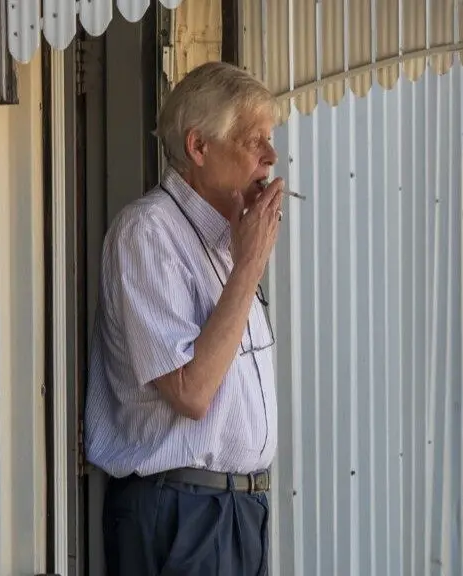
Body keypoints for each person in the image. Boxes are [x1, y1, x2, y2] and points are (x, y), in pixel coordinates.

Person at [83, 61, 284, 576]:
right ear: (198, 148)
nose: (271, 157)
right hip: (182, 511)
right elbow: (192, 393)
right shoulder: (148, 233)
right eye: (254, 140)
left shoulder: (227, 241)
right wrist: (249, 266)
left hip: (239, 510)